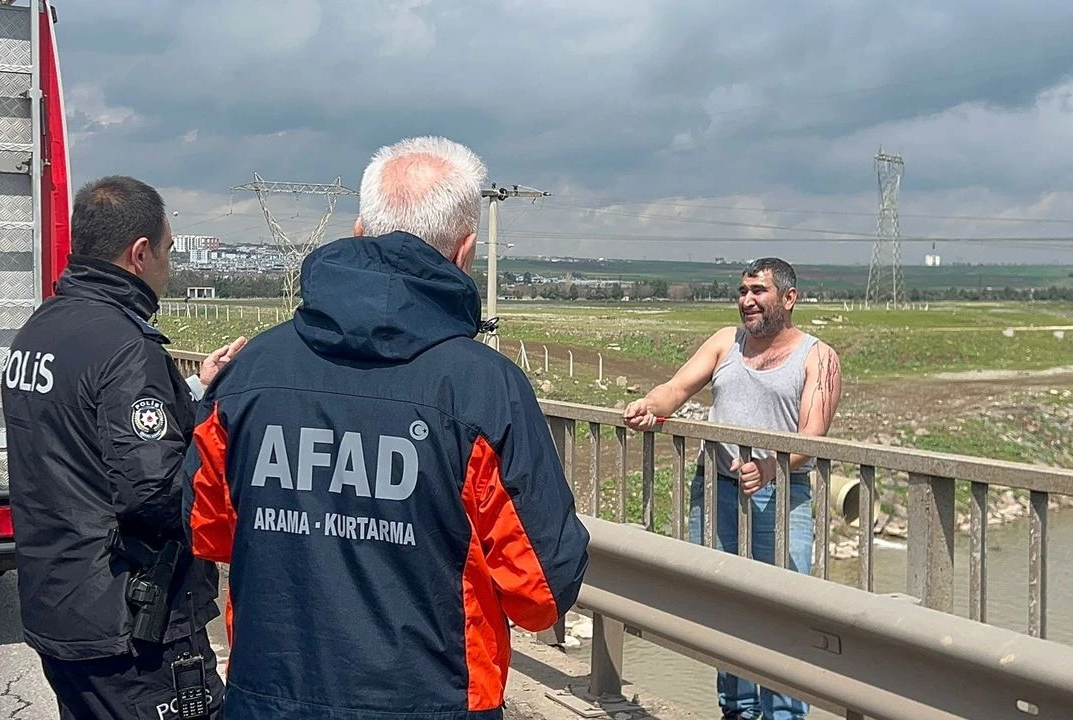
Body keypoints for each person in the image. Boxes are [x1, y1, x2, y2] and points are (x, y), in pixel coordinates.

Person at [184, 136, 590, 720]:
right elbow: (540, 593)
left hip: (267, 695)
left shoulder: (250, 374)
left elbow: (209, 531)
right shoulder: (482, 388)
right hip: (434, 701)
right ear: (466, 251)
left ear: (357, 232)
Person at [2, 175, 246, 720]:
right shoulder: (128, 348)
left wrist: (190, 390)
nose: (169, 265)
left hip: (59, 606)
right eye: (167, 250)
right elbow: (155, 494)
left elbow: (82, 439)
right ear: (140, 254)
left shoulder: (41, 330)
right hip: (131, 625)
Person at [623, 258, 841, 720]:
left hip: (782, 498)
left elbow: (811, 435)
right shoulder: (726, 343)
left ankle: (783, 715)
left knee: (785, 610)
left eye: (758, 291)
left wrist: (771, 467)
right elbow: (676, 389)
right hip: (717, 490)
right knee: (728, 608)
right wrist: (649, 405)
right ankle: (737, 711)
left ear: (788, 298)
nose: (747, 300)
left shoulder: (818, 357)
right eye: (742, 291)